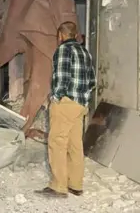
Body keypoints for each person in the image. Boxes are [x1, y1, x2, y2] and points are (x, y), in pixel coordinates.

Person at [35, 22, 95, 198]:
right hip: (80, 104)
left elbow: (62, 77)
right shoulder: (85, 52)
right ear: (76, 35)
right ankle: (75, 185)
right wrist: (83, 98)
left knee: (57, 142)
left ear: (61, 35)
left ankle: (58, 186)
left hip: (66, 103)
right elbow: (92, 80)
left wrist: (56, 97)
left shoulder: (63, 50)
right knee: (75, 143)